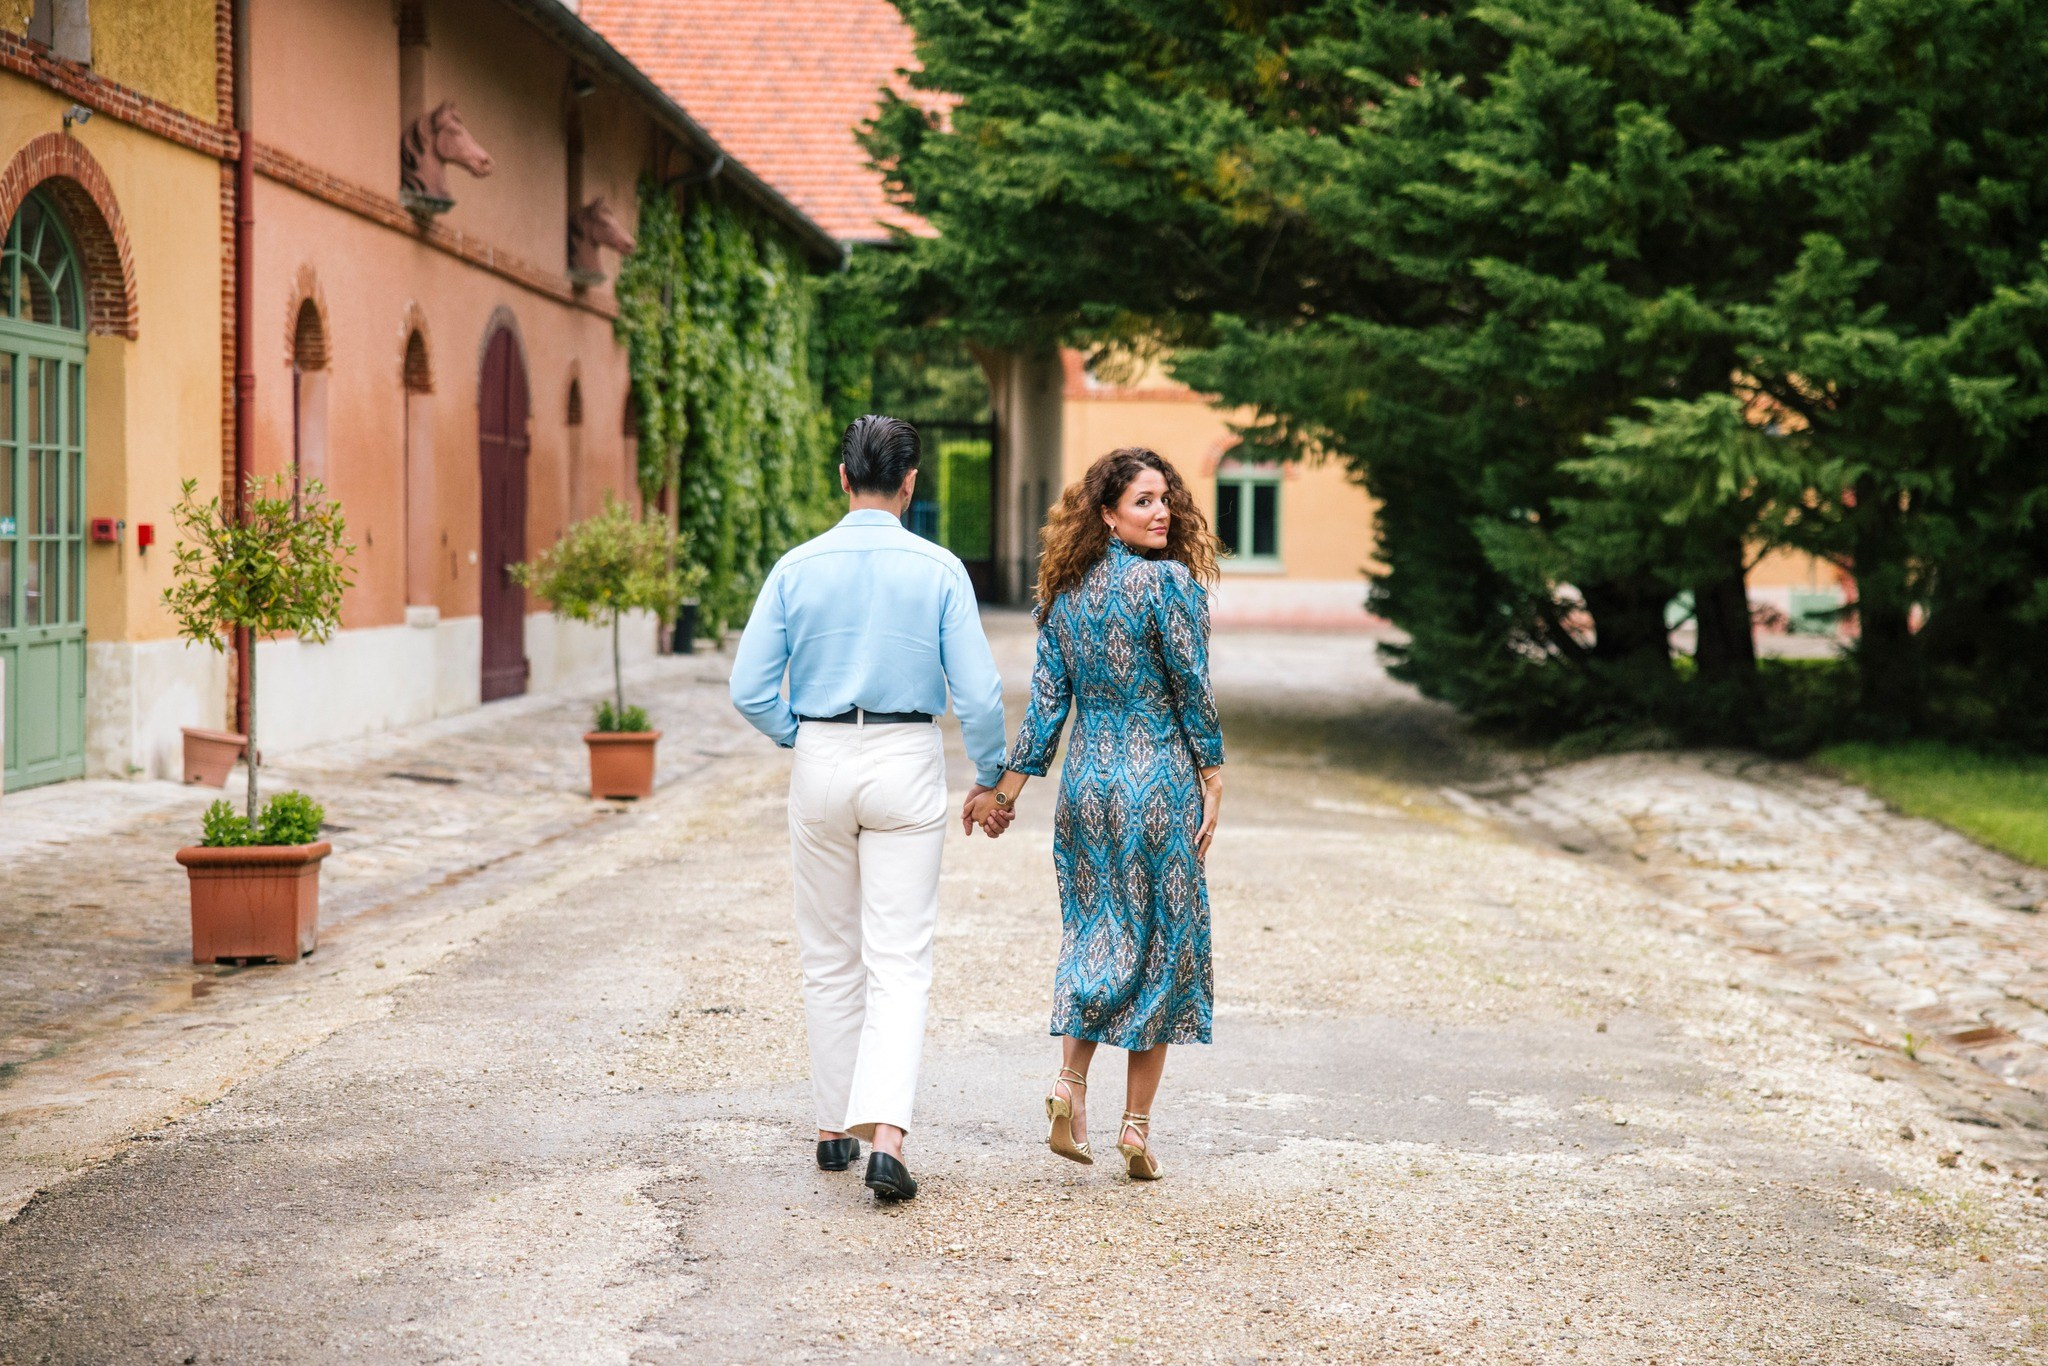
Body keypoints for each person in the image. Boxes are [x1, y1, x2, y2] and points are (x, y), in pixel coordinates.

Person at [730, 415, 1007, 1204]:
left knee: (828, 951)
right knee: (899, 956)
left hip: (821, 752)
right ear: (910, 484)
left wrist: (801, 736)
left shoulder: (796, 567)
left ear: (843, 478)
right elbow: (980, 694)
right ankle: (886, 1138)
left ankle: (831, 1129)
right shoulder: (940, 569)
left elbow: (749, 687)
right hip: (905, 755)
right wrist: (989, 774)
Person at [968, 447, 1224, 1180]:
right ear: (1108, 515)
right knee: (1164, 947)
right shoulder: (1170, 584)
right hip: (1158, 784)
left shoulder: (1065, 594)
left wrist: (1003, 796)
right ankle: (1135, 1131)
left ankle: (1068, 1084)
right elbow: (1192, 687)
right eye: (1144, 501)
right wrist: (1213, 773)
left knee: (1096, 935)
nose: (1161, 511)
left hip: (1087, 790)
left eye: (1165, 499)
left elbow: (1046, 712)